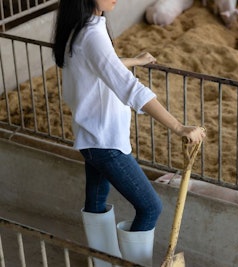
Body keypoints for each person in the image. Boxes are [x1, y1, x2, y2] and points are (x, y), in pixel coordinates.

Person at [52, 0, 206, 266]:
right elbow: (130, 89)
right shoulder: (91, 34)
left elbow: (102, 64)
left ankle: (103, 262)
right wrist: (179, 127)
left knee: (96, 202)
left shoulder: (77, 29)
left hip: (91, 137)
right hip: (105, 143)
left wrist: (135, 60)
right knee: (150, 207)